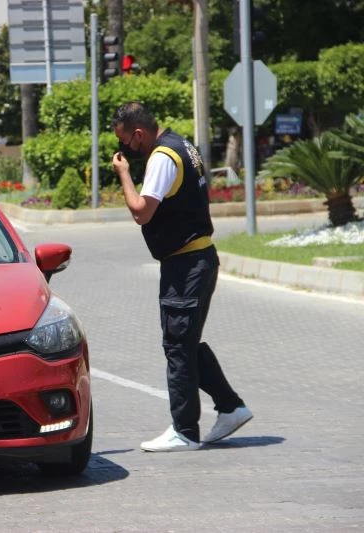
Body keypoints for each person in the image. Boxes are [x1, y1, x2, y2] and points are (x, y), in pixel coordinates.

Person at [110, 102, 253, 452]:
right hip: (198, 258)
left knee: (177, 346)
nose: (125, 148)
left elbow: (142, 212)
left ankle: (185, 431)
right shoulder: (183, 146)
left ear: (138, 134)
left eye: (125, 140)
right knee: (185, 342)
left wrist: (124, 174)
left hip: (186, 264)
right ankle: (231, 407)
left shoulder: (162, 156)